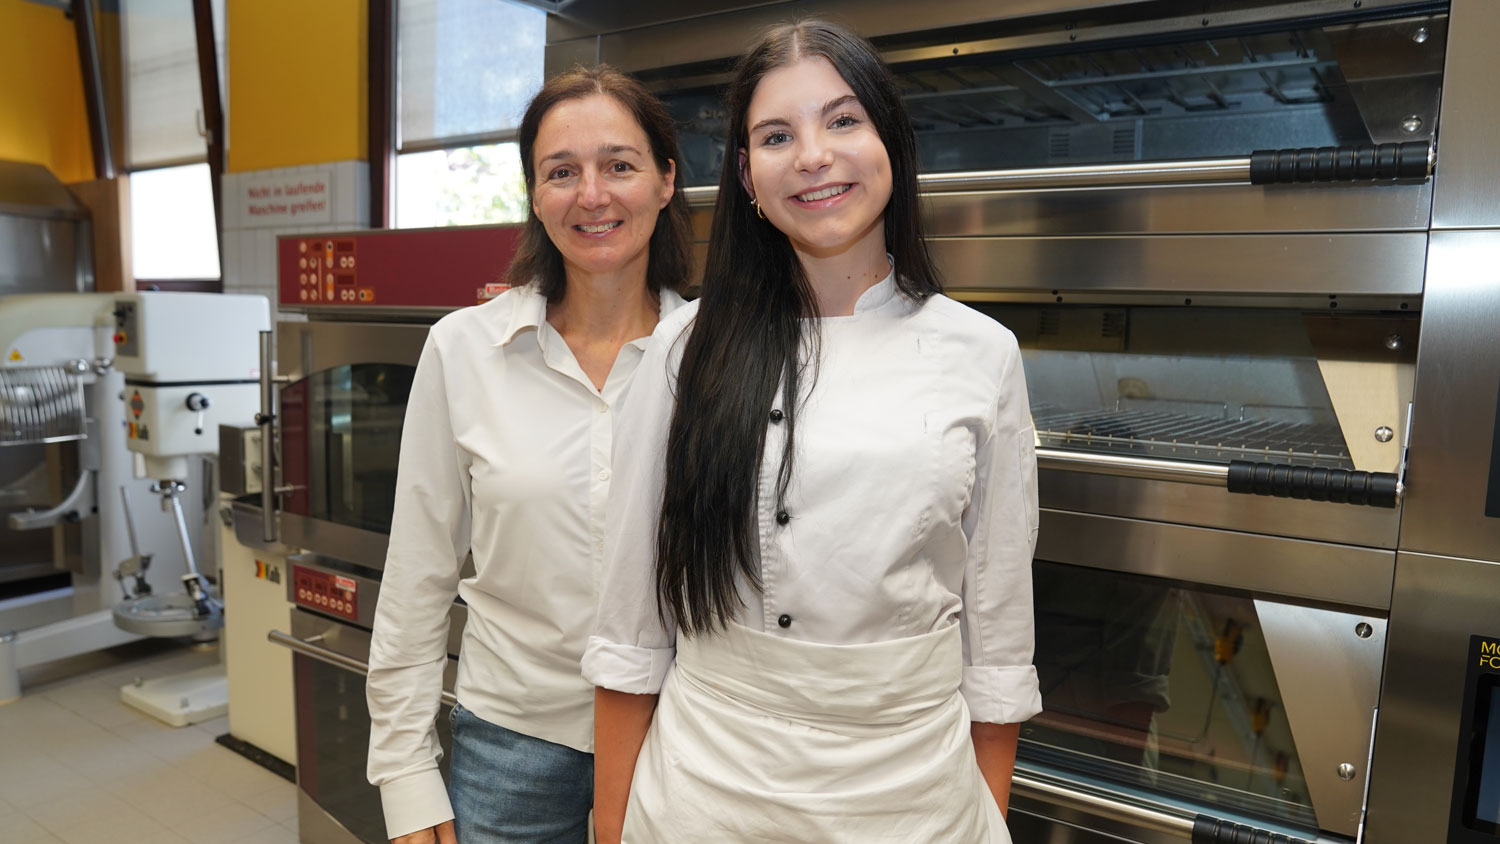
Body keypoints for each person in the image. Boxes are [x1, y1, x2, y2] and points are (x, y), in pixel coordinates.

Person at [585, 19, 1041, 844]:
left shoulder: (982, 353)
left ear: (891, 145)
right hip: (704, 795)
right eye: (775, 135)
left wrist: (986, 815)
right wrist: (608, 830)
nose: (813, 156)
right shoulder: (688, 348)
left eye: (842, 121)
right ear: (746, 177)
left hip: (912, 803)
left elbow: (998, 646)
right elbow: (630, 631)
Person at [365, 64, 692, 844]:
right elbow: (418, 572)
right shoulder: (464, 349)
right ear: (535, 194)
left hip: (684, 737)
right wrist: (404, 771)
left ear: (665, 180)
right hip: (509, 739)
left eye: (619, 165)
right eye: (561, 172)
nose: (592, 194)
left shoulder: (715, 356)